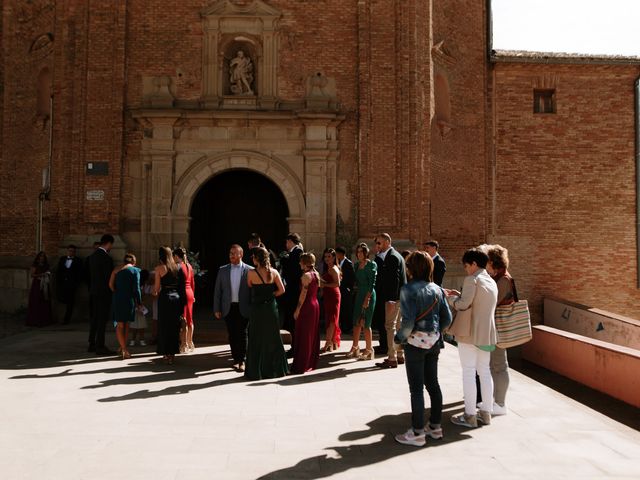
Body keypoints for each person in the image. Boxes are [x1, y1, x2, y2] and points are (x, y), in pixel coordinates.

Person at [393, 251, 452, 447]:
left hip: (415, 344)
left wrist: (399, 338)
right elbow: (447, 318)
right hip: (433, 343)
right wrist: (435, 332)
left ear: (411, 269)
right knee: (433, 385)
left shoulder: (408, 289)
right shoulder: (437, 289)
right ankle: (435, 427)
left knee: (416, 389)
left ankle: (417, 433)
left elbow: (408, 322)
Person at [445, 248, 498, 428]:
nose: (466, 270)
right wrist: (459, 295)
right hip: (487, 334)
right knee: (484, 371)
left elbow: (463, 305)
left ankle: (469, 415)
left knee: (468, 372)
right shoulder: (491, 281)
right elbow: (477, 303)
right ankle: (486, 412)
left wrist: (450, 299)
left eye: (467, 266)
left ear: (474, 264)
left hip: (469, 333)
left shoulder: (472, 279)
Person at [244, 247, 288, 380]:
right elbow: (282, 290)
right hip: (270, 308)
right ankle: (276, 369)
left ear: (257, 258)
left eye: (253, 257)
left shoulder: (251, 273)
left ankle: (257, 371)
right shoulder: (274, 272)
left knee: (256, 338)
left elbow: (250, 285)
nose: (252, 259)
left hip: (257, 309)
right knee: (273, 337)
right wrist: (272, 294)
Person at [484, 244, 515, 417]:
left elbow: (493, 303)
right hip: (495, 328)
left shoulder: (503, 280)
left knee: (500, 365)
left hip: (500, 329)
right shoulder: (498, 277)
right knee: (493, 365)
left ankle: (501, 403)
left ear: (492, 261)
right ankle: (495, 400)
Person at [214, 244, 253, 372]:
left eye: (234, 253)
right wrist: (217, 308)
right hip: (228, 307)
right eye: (230, 253)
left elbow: (253, 292)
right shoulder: (223, 270)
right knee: (232, 334)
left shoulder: (249, 270)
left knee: (242, 334)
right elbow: (218, 291)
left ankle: (242, 360)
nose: (231, 255)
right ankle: (236, 359)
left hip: (243, 307)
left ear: (241, 254)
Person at [373, 233, 407, 369]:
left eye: (379, 243)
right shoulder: (395, 255)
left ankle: (392, 357)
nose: (377, 246)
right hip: (399, 297)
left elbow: (394, 280)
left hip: (394, 299)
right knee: (397, 327)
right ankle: (399, 355)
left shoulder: (392, 257)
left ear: (387, 242)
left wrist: (391, 300)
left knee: (390, 327)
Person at [153, 246, 187, 365]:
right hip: (176, 298)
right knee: (174, 326)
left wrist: (154, 291)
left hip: (165, 298)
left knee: (164, 326)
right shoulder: (178, 267)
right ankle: (172, 354)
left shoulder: (159, 268)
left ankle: (166, 354)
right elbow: (182, 287)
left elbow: (156, 288)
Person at [290, 252, 321, 373]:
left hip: (307, 306)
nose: (299, 263)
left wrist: (297, 310)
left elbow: (303, 295)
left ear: (305, 263)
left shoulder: (306, 276)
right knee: (311, 334)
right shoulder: (316, 274)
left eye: (301, 261)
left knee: (303, 335)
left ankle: (301, 365)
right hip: (315, 305)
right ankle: (310, 362)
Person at [109, 253, 141, 360]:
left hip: (118, 298)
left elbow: (110, 285)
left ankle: (122, 348)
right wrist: (139, 302)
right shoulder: (135, 271)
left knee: (119, 325)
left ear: (124, 261)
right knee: (127, 324)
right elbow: (137, 289)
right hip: (129, 300)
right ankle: (124, 349)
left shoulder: (116, 270)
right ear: (134, 262)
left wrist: (116, 292)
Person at [347, 243, 377, 360]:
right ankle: (355, 347)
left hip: (368, 294)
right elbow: (355, 281)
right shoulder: (356, 265)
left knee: (366, 323)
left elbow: (372, 284)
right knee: (356, 321)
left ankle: (369, 350)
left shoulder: (371, 265)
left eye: (361, 252)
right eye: (358, 252)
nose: (359, 254)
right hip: (359, 294)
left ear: (366, 253)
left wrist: (367, 299)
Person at [86, 234, 115, 355]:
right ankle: (100, 346)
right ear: (108, 243)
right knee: (102, 319)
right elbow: (108, 277)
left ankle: (92, 343)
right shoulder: (106, 258)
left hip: (94, 291)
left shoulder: (92, 256)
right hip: (103, 292)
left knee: (95, 318)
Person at [279, 233, 303, 349]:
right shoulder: (294, 253)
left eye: (287, 242)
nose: (286, 245)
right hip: (292, 290)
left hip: (293, 291)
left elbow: (294, 272)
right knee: (291, 321)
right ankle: (294, 346)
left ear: (290, 241)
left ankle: (295, 347)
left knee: (294, 321)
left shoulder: (297, 253)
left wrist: (283, 261)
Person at [174, 247, 196, 353]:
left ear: (176, 256)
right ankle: (190, 342)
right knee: (190, 319)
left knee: (183, 320)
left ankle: (183, 344)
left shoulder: (178, 267)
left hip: (182, 293)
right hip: (190, 292)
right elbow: (192, 282)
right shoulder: (190, 266)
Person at [55, 244, 83, 324]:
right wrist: (59, 282)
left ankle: (66, 319)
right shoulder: (62, 259)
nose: (71, 253)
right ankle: (59, 317)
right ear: (67, 251)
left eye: (73, 251)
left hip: (72, 285)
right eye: (70, 251)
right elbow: (59, 271)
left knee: (70, 302)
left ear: (75, 252)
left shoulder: (78, 261)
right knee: (61, 300)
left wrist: (75, 283)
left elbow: (80, 273)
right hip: (62, 284)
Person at [321, 248, 341, 352]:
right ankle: (332, 342)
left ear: (333, 258)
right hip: (329, 295)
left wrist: (324, 285)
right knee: (330, 318)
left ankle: (328, 342)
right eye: (325, 256)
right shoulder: (329, 268)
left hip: (333, 295)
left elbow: (337, 284)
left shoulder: (333, 269)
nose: (327, 258)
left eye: (329, 256)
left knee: (332, 319)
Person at [25, 251, 53, 327]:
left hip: (45, 284)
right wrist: (41, 275)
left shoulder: (46, 265)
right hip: (37, 284)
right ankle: (35, 320)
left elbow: (49, 272)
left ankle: (45, 320)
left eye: (43, 256)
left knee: (44, 300)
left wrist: (47, 274)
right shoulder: (35, 265)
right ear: (38, 257)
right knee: (36, 300)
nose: (42, 258)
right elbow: (32, 275)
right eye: (41, 256)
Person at [335, 246, 355, 335]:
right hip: (340, 289)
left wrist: (348, 288)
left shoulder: (348, 263)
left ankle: (348, 327)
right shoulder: (338, 263)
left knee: (347, 309)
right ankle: (343, 326)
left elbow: (351, 277)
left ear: (340, 254)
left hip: (346, 290)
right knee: (342, 309)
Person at [129, 269, 151, 347]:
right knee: (139, 324)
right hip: (138, 306)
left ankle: (134, 340)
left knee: (138, 324)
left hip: (138, 306)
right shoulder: (140, 285)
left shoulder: (142, 285)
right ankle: (138, 339)